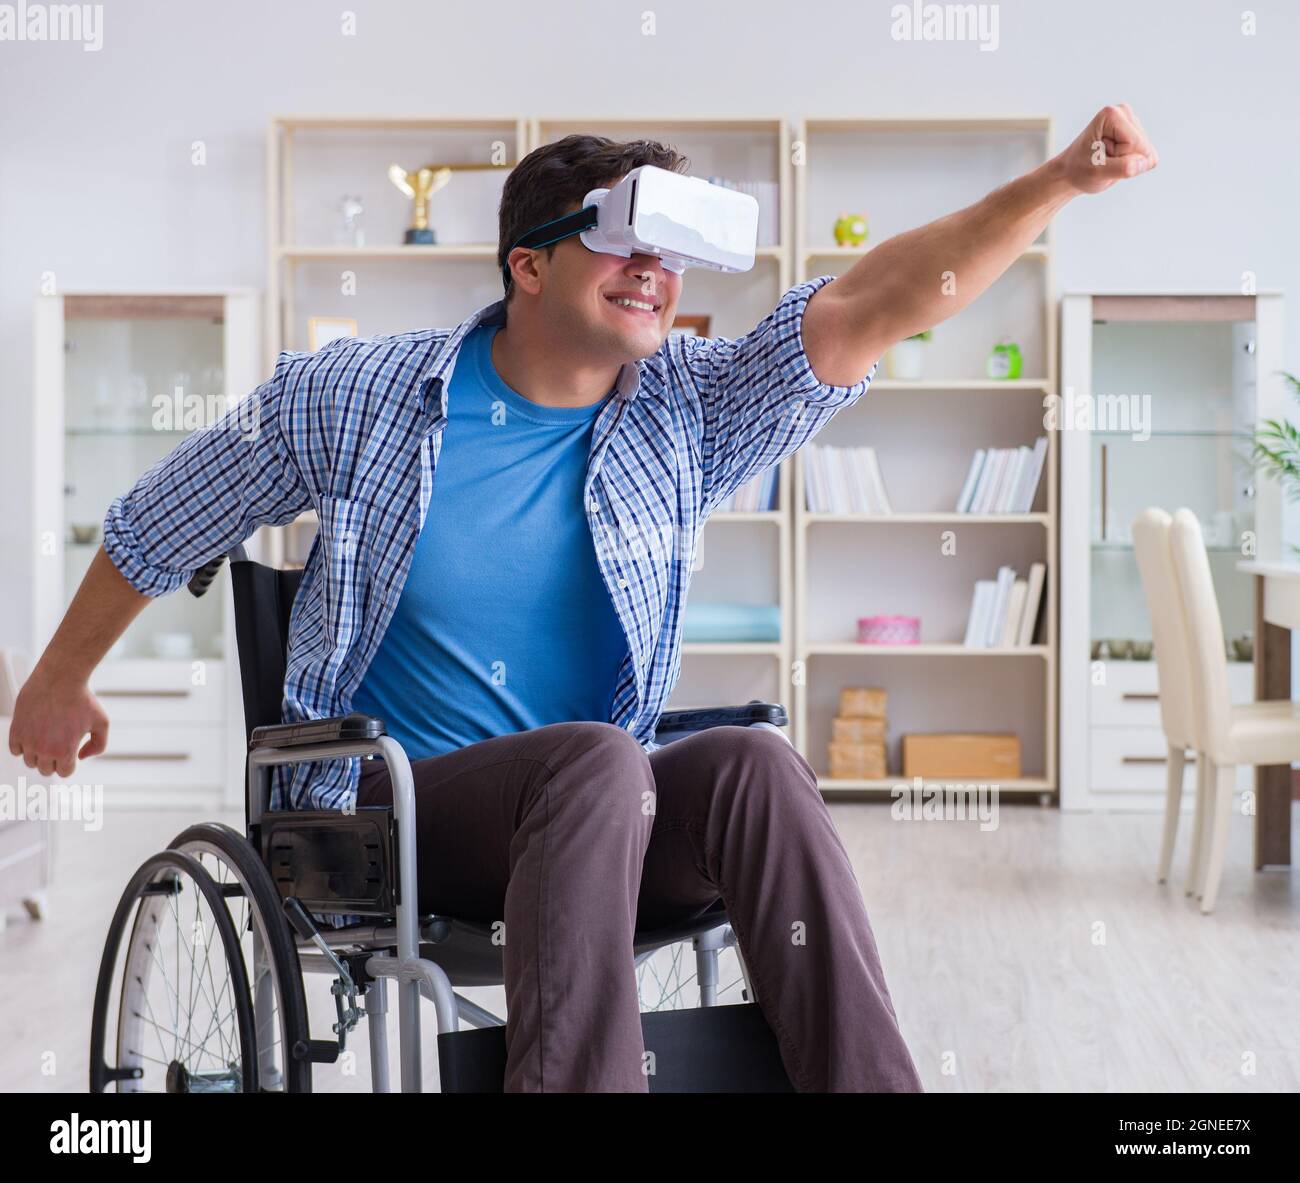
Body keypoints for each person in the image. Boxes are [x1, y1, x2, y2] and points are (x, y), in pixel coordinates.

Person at [9, 106, 1156, 1092]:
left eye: (670, 252)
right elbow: (163, 517)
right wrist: (61, 677)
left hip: (606, 823)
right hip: (390, 822)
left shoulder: (684, 410)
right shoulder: (354, 395)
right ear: (528, 264)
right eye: (622, 245)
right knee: (598, 759)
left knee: (754, 762)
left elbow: (875, 304)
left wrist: (1059, 180)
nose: (654, 271)